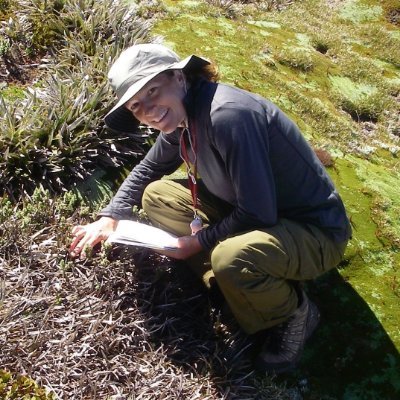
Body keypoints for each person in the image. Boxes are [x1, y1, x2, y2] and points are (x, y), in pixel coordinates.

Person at [69, 43, 352, 374]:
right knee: (157, 196)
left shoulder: (227, 115)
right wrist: (109, 216)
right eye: (135, 106)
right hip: (255, 209)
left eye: (153, 91)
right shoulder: (182, 116)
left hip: (314, 231)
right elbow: (149, 169)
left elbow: (258, 213)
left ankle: (295, 314)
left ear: (178, 77)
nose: (147, 110)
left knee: (232, 259)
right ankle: (230, 284)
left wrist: (195, 243)